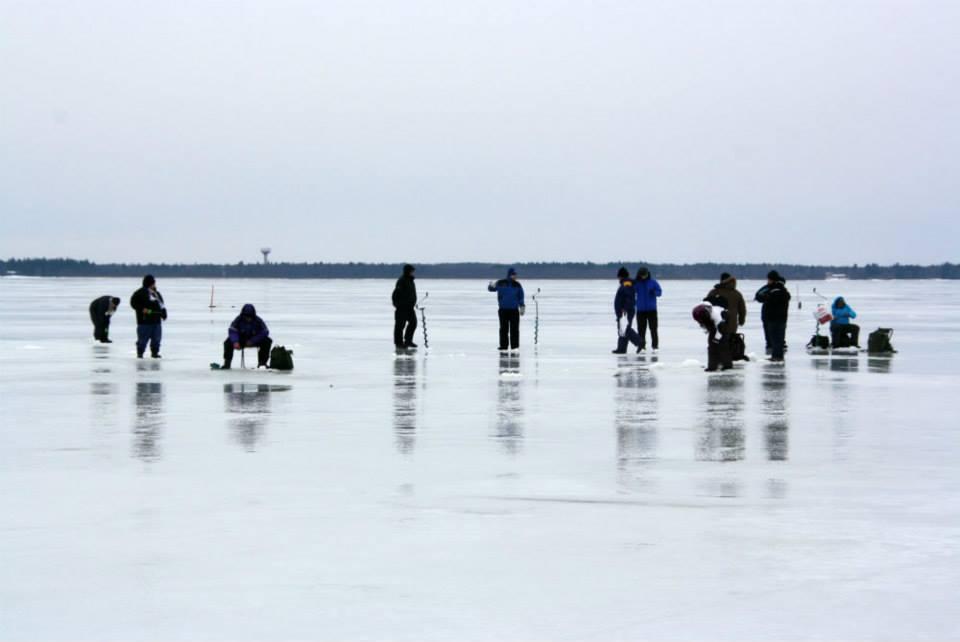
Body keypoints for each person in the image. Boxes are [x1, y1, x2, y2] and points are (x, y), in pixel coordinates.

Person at [703, 273, 747, 371]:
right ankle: (727, 363)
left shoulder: (714, 292)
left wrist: (705, 323)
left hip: (716, 323)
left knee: (714, 344)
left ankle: (715, 364)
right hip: (731, 324)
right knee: (727, 343)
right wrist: (741, 320)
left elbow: (706, 307)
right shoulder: (736, 293)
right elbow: (742, 309)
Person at [754, 270, 791, 361]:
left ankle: (777, 356)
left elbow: (759, 296)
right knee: (779, 337)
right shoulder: (783, 291)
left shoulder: (772, 291)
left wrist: (766, 296)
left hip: (772, 318)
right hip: (781, 318)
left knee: (774, 338)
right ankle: (777, 354)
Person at [221, 304, 272, 369]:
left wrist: (253, 340)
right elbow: (232, 330)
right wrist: (235, 341)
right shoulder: (238, 320)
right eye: (246, 316)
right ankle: (227, 363)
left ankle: (262, 363)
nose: (248, 318)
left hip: (254, 340)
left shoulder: (258, 320)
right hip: (241, 340)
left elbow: (265, 332)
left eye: (250, 316)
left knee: (267, 341)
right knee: (227, 342)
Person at [488, 267, 525, 350]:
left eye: (515, 274)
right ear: (509, 275)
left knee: (514, 329)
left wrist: (522, 306)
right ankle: (503, 346)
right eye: (513, 274)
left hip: (514, 310)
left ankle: (515, 346)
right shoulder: (501, 282)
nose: (515, 276)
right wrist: (491, 285)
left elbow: (521, 296)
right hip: (503, 310)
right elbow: (491, 289)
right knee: (503, 329)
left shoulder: (517, 285)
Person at [130, 275, 167, 358]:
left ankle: (155, 353)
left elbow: (162, 305)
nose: (154, 284)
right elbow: (133, 303)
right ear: (150, 283)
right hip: (144, 321)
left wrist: (164, 313)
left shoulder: (156, 294)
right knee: (142, 340)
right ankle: (140, 354)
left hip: (156, 321)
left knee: (156, 339)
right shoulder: (139, 293)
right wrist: (142, 309)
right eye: (153, 282)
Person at [692, 302, 728, 371]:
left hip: (723, 321)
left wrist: (716, 339)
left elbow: (720, 330)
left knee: (720, 344)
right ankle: (713, 365)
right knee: (712, 345)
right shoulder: (698, 312)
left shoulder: (716, 315)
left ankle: (724, 364)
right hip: (712, 321)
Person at [612, 267, 641, 354]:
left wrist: (625, 308)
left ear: (621, 276)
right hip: (624, 310)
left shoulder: (626, 284)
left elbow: (629, 298)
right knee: (622, 329)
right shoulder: (625, 283)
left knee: (625, 329)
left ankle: (639, 342)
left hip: (625, 311)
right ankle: (621, 348)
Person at [634, 266, 663, 352]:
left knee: (653, 328)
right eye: (642, 275)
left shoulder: (653, 282)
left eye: (645, 275)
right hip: (640, 310)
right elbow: (631, 292)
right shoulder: (636, 283)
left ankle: (655, 346)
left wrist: (654, 292)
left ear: (648, 274)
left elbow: (659, 292)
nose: (644, 276)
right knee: (641, 329)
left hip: (652, 310)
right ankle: (642, 346)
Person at [392, 264, 418, 350]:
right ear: (407, 271)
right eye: (411, 271)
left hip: (410, 307)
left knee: (413, 323)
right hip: (402, 307)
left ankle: (408, 341)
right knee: (400, 325)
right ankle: (399, 343)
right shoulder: (401, 281)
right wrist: (398, 305)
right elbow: (395, 294)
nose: (413, 273)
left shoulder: (411, 281)